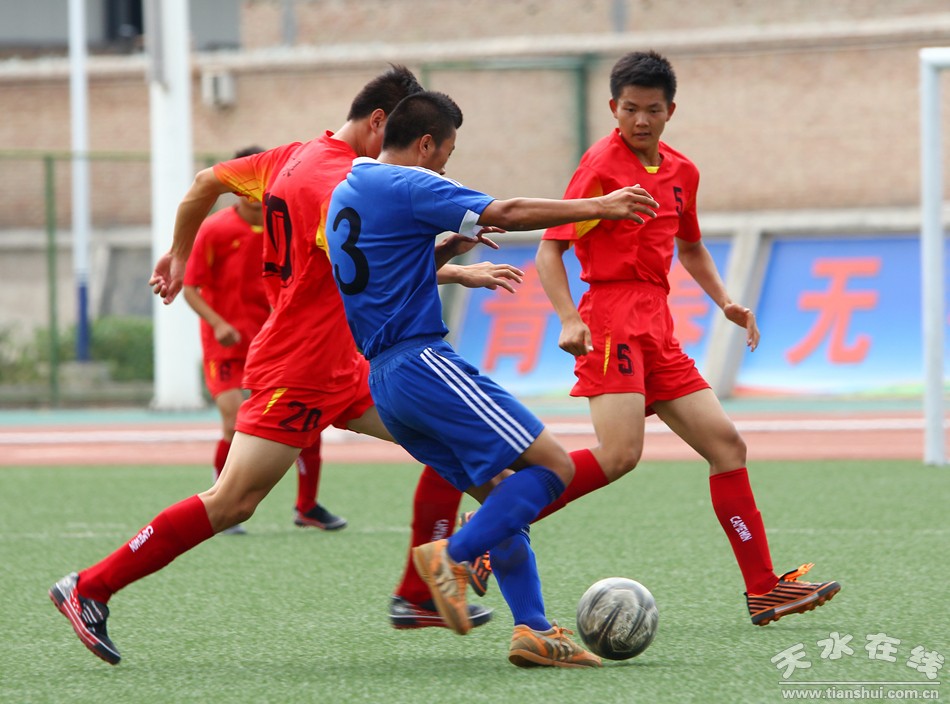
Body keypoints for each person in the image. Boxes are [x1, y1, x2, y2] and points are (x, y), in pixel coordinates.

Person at [48, 66, 511, 666]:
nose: (417, 162)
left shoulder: (292, 157)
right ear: (380, 123)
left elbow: (203, 182)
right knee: (233, 501)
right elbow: (370, 266)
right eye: (407, 137)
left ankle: (421, 590)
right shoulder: (342, 182)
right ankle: (89, 587)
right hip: (299, 365)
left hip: (342, 362)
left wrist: (179, 253)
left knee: (452, 442)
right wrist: (450, 255)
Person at [325, 90, 661, 667]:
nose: (445, 168)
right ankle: (453, 556)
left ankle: (533, 630)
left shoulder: (346, 193)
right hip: (422, 363)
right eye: (446, 153)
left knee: (504, 494)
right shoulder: (409, 183)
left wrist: (451, 249)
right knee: (552, 468)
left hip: (385, 379)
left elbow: (390, 274)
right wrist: (598, 207)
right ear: (426, 142)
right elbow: (504, 210)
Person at [534, 50, 841, 626]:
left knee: (727, 446)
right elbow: (551, 247)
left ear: (671, 110)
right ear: (613, 109)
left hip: (657, 324)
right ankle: (499, 521)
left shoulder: (683, 172)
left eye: (652, 110)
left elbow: (691, 246)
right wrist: (569, 319)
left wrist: (725, 301)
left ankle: (763, 589)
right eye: (630, 110)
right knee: (621, 455)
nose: (641, 121)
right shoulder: (600, 164)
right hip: (611, 318)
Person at [183, 145, 346, 535]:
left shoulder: (286, 221)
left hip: (274, 344)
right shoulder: (217, 229)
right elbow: (191, 287)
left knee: (310, 418)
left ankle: (306, 505)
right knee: (231, 419)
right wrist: (218, 323)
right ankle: (220, 497)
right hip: (226, 345)